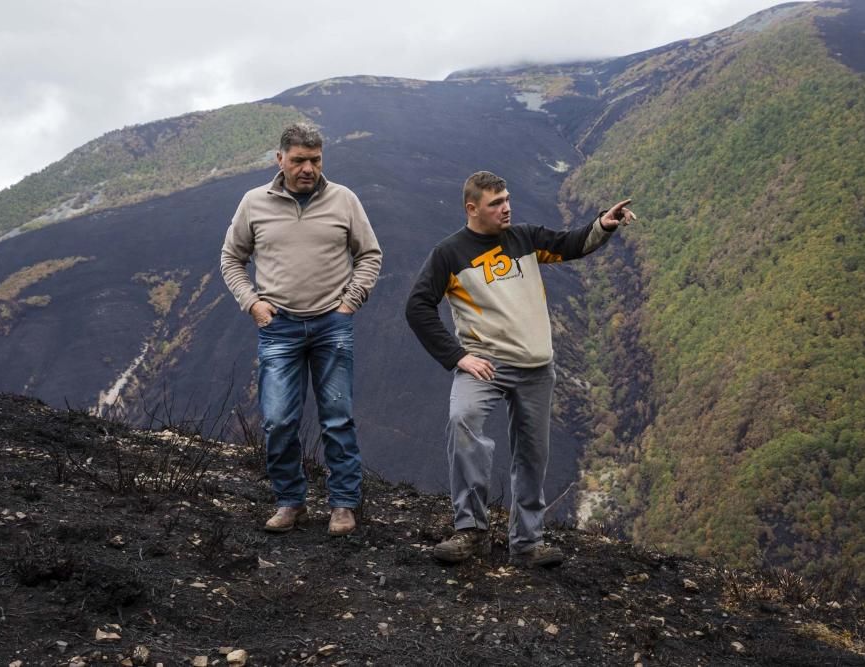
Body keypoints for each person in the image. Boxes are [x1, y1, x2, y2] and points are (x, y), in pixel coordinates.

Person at [405, 170, 634, 567]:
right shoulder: (450, 253)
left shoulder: (524, 237)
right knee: (464, 421)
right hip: (485, 364)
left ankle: (527, 544)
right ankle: (471, 532)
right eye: (496, 203)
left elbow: (570, 244)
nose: (506, 207)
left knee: (533, 455)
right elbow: (417, 306)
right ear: (472, 208)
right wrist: (457, 357)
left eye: (507, 199)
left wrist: (603, 225)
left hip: (536, 367)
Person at [221, 122, 382, 535]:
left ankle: (344, 505)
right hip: (279, 328)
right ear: (280, 160)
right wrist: (253, 303)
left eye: (315, 159)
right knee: (277, 421)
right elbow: (231, 259)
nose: (308, 168)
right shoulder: (254, 203)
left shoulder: (344, 200)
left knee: (338, 418)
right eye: (298, 160)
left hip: (332, 324)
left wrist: (350, 302)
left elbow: (369, 255)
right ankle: (290, 501)